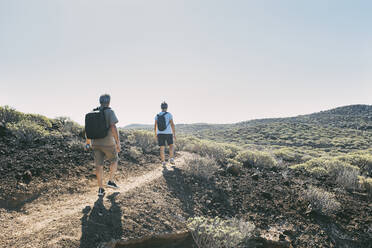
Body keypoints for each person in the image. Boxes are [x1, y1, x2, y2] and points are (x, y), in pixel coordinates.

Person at [85, 94, 121, 196]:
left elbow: (88, 129)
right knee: (114, 160)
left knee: (99, 166)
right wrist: (117, 142)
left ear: (100, 101)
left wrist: (88, 142)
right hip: (108, 143)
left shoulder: (92, 112)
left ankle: (100, 189)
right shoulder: (109, 112)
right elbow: (113, 127)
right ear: (109, 102)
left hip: (95, 143)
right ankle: (110, 181)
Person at [154, 101, 176, 168]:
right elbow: (172, 124)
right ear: (167, 107)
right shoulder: (169, 114)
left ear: (161, 107)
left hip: (160, 133)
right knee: (171, 146)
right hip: (168, 133)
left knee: (162, 148)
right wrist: (174, 134)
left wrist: (155, 134)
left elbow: (155, 126)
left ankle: (163, 162)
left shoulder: (157, 115)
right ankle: (171, 159)